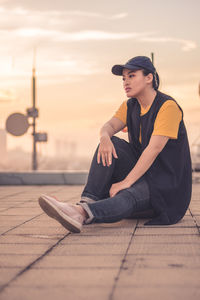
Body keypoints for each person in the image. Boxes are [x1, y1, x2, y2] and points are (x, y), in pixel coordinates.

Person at [38, 55, 192, 233]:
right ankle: (86, 203)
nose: (126, 82)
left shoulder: (167, 107)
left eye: (132, 76)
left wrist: (125, 182)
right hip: (145, 174)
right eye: (124, 78)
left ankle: (81, 213)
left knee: (127, 193)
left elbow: (154, 149)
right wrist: (104, 137)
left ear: (149, 78)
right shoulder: (130, 106)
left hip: (166, 187)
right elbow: (109, 126)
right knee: (112, 143)